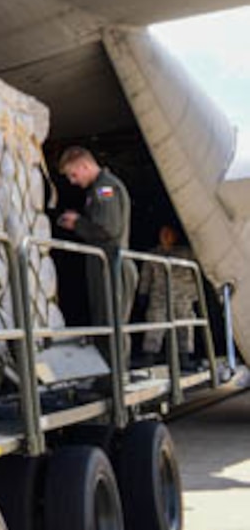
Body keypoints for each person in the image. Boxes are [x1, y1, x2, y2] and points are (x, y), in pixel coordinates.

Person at [55, 147, 137, 368]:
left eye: (74, 174)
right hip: (106, 267)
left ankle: (115, 380)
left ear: (85, 165)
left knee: (111, 324)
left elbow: (107, 228)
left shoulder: (105, 188)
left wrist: (77, 223)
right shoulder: (98, 190)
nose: (73, 181)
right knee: (106, 323)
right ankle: (110, 377)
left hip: (112, 267)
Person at [138, 224, 201, 364]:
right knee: (155, 325)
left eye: (169, 233)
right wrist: (143, 293)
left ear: (175, 236)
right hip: (159, 297)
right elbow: (146, 276)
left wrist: (197, 296)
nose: (165, 236)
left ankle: (185, 357)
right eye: (163, 233)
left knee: (184, 326)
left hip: (183, 296)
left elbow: (196, 274)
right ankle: (150, 356)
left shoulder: (187, 253)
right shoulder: (153, 255)